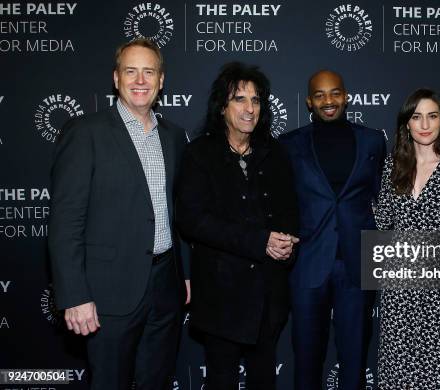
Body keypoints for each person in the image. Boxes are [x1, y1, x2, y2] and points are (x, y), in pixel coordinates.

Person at [48, 38, 189, 389]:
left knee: (156, 381)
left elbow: (179, 211)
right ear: (115, 78)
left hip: (165, 286)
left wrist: (184, 273)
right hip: (108, 291)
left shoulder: (174, 137)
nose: (140, 80)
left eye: (148, 72)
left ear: (161, 80)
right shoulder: (85, 133)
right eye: (131, 71)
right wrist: (75, 295)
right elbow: (66, 221)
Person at [175, 62, 299, 390]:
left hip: (269, 293)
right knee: (221, 379)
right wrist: (260, 241)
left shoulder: (275, 153)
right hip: (220, 294)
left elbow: (289, 210)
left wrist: (287, 243)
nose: (249, 108)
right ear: (222, 107)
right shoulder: (199, 154)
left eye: (256, 100)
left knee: (263, 379)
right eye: (239, 99)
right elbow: (193, 220)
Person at [279, 70, 386, 390]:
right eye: (320, 95)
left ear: (346, 96)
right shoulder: (289, 144)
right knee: (307, 362)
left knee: (354, 362)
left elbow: (383, 200)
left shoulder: (372, 141)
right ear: (309, 101)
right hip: (308, 264)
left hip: (357, 266)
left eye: (335, 93)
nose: (329, 100)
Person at [375, 88, 440, 389]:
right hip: (400, 290)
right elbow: (383, 222)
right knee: (399, 372)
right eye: (416, 117)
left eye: (432, 116)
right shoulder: (392, 167)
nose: (424, 124)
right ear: (406, 123)